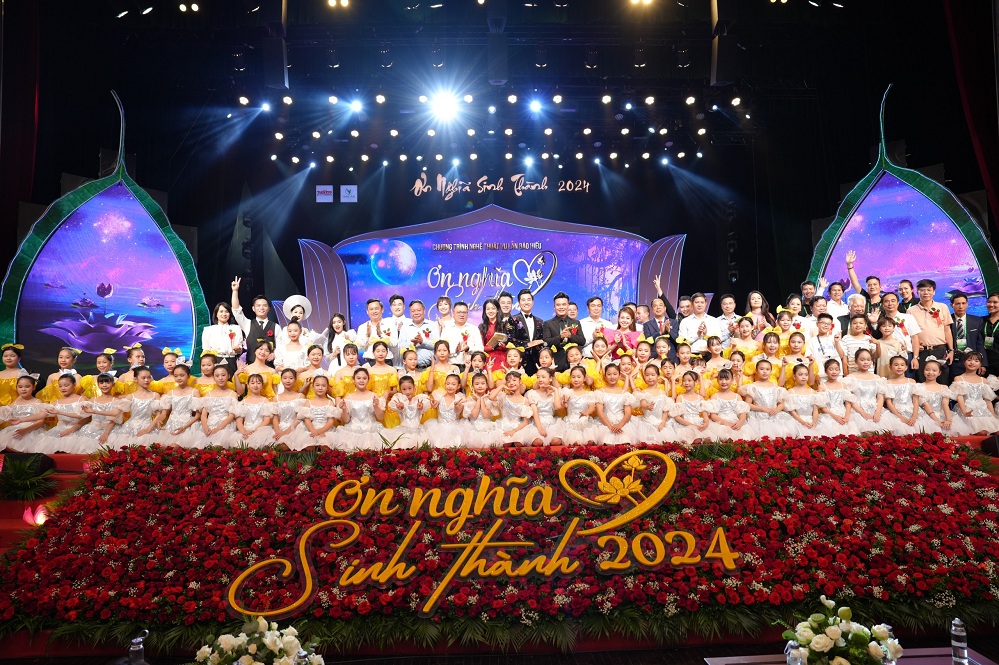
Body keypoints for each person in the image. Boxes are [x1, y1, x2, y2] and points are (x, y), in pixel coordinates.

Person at [908, 279, 955, 383]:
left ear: (934, 292)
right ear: (917, 292)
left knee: (942, 380)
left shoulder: (942, 307)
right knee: (922, 381)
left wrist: (951, 350)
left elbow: (947, 330)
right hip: (922, 352)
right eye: (922, 290)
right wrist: (915, 350)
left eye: (929, 290)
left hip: (940, 350)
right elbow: (910, 334)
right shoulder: (911, 311)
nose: (926, 293)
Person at [230, 277, 278, 363]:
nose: (261, 308)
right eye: (258, 306)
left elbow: (281, 345)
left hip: (269, 367)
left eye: (264, 305)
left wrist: (274, 353)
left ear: (268, 308)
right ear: (253, 308)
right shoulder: (247, 324)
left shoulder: (276, 327)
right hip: (251, 366)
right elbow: (236, 311)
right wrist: (235, 291)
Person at [951, 351, 999, 434]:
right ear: (964, 362)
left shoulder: (983, 380)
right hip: (966, 408)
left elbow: (987, 400)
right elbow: (959, 397)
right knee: (978, 430)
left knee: (994, 429)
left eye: (976, 361)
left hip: (982, 409)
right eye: (969, 360)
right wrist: (964, 412)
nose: (972, 363)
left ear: (980, 364)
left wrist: (993, 415)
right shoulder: (959, 378)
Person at [0, 372, 47, 452]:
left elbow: (40, 421)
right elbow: (3, 416)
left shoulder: (37, 402)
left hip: (31, 431)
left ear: (33, 387)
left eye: (27, 386)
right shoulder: (15, 403)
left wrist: (25, 430)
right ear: (16, 388)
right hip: (14, 430)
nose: (23, 389)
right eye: (20, 387)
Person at [541, 292, 585, 371]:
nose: (561, 307)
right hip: (556, 362)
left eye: (564, 304)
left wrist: (570, 335)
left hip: (574, 363)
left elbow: (582, 341)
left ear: (568, 305)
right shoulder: (548, 323)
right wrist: (560, 337)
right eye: (558, 305)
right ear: (554, 307)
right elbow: (546, 342)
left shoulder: (575, 322)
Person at [505, 289, 546, 375]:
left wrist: (541, 343)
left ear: (533, 302)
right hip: (520, 361)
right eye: (523, 300)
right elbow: (509, 339)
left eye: (529, 299)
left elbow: (543, 339)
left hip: (537, 361)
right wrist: (527, 344)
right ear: (519, 303)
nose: (526, 302)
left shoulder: (540, 321)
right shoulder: (512, 319)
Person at [950, 291, 987, 378]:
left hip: (972, 361)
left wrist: (983, 363)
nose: (961, 306)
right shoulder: (947, 321)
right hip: (953, 361)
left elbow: (980, 343)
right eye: (957, 304)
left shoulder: (977, 321)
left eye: (963, 303)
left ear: (967, 304)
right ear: (952, 305)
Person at [201, 302, 244, 377]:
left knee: (232, 382)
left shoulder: (236, 328)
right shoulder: (208, 330)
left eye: (226, 311)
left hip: (231, 360)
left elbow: (239, 347)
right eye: (221, 311)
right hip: (215, 361)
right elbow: (205, 350)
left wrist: (239, 349)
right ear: (216, 314)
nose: (224, 314)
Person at [441, 301, 484, 370]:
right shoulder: (447, 329)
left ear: (467, 313)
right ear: (453, 313)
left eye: (464, 312)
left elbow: (481, 349)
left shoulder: (474, 329)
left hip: (470, 367)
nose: (462, 315)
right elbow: (442, 350)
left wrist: (468, 349)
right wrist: (455, 350)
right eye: (459, 312)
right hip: (451, 367)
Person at [354, 298, 398, 364]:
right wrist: (367, 336)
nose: (374, 311)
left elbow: (394, 343)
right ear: (367, 311)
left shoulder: (390, 324)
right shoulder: (362, 327)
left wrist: (381, 335)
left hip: (386, 361)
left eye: (376, 308)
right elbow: (359, 347)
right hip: (370, 361)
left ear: (382, 310)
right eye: (371, 309)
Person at [399, 300, 438, 369]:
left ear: (424, 311)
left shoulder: (433, 325)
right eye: (413, 311)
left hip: (430, 367)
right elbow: (400, 346)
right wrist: (412, 344)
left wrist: (422, 342)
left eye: (419, 310)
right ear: (410, 313)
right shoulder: (405, 327)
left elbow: (437, 346)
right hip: (410, 368)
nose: (416, 313)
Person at [479, 298, 508, 373]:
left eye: (493, 308)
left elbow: (511, 345)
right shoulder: (482, 327)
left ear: (497, 310)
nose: (490, 311)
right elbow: (480, 347)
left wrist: (503, 346)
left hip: (503, 358)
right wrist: (492, 347)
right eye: (488, 309)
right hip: (488, 358)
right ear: (485, 311)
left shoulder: (505, 325)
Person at [983, 293, 999, 377]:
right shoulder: (982, 320)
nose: (991, 305)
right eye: (989, 302)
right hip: (985, 364)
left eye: (995, 302)